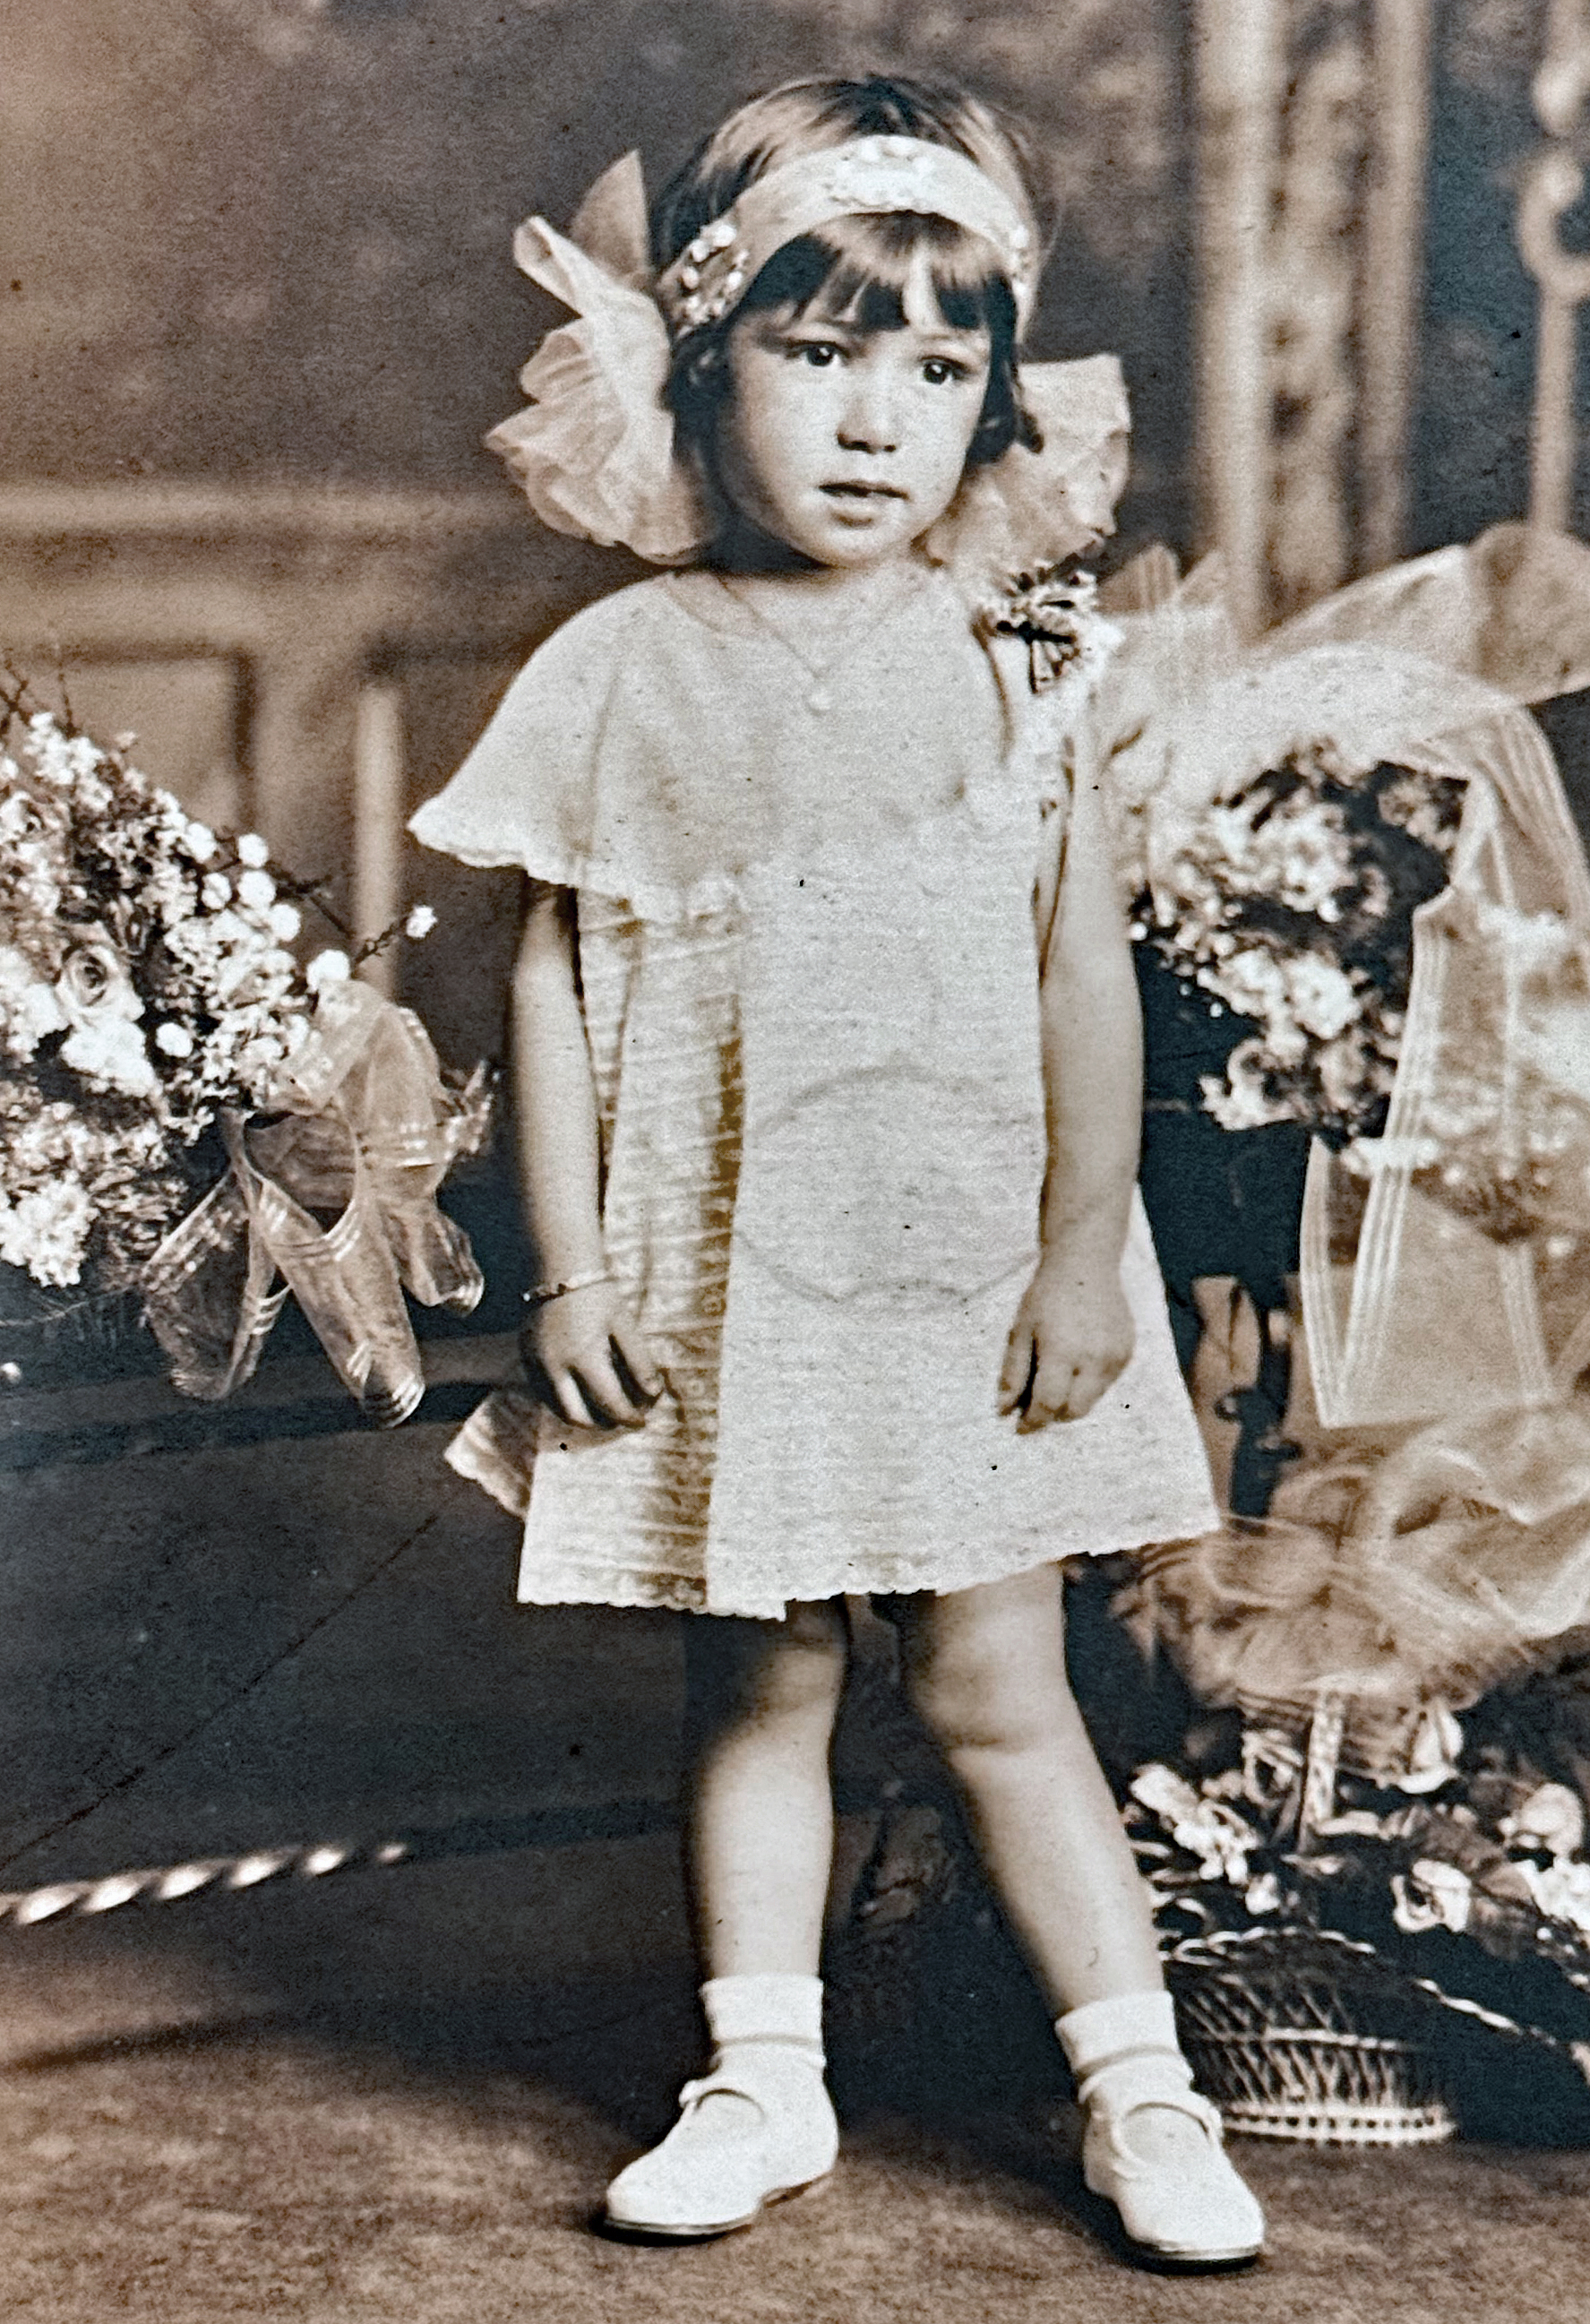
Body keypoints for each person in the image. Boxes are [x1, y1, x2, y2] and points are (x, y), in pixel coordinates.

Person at [408, 73, 1263, 2269]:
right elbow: (558, 981)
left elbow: (1085, 982)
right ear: (702, 374)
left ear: (993, 399)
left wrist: (1087, 1256)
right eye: (816, 353)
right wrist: (573, 1267)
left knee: (998, 1685)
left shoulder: (1018, 668)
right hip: (719, 1274)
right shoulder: (619, 667)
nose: (877, 419)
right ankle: (758, 2081)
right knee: (762, 1675)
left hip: (963, 1265)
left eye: (936, 364)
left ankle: (1137, 2093)